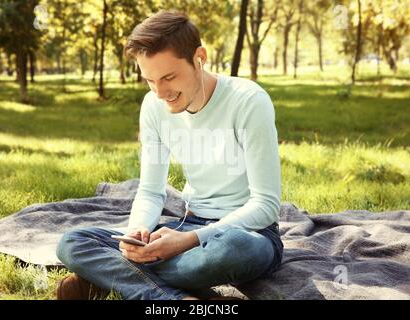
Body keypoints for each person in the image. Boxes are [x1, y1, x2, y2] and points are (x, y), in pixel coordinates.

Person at [56, 9, 283, 300]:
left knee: (232, 249)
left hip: (249, 234)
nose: (160, 92)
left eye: (169, 77)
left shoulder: (249, 101)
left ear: (199, 57)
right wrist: (138, 231)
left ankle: (109, 278)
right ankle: (177, 298)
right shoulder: (153, 106)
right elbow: (150, 192)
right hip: (186, 224)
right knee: (73, 242)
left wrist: (188, 240)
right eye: (150, 80)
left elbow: (266, 206)